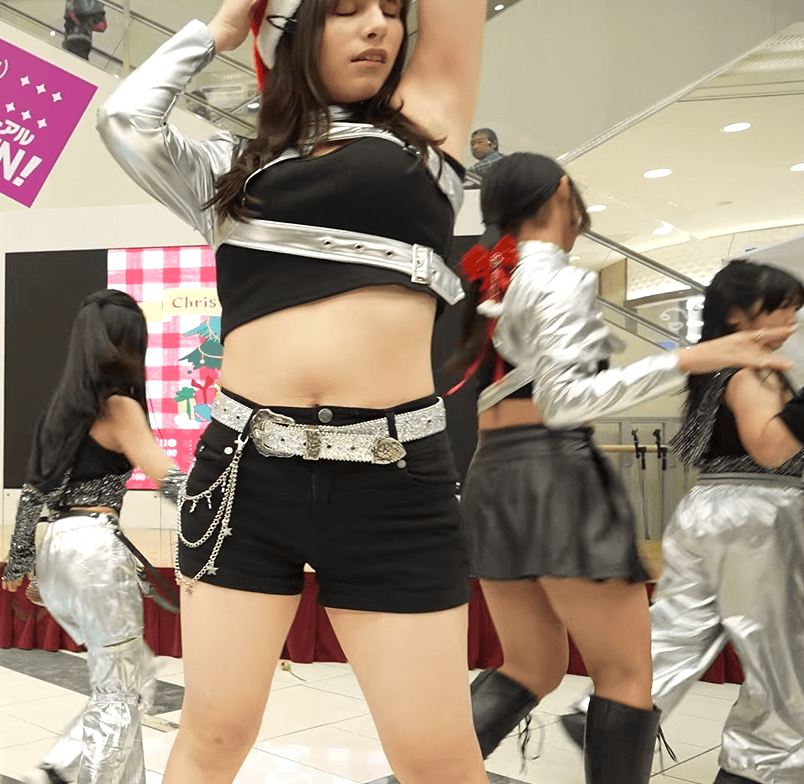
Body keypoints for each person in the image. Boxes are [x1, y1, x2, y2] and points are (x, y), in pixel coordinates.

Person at [97, 1, 489, 782]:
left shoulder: (425, 128)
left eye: (390, 11)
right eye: (346, 10)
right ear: (293, 30)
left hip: (393, 484)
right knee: (212, 736)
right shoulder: (231, 166)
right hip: (243, 476)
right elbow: (125, 120)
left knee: (436, 758)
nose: (377, 26)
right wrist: (220, 29)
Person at [446, 153, 799, 784]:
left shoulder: (496, 281)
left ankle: (424, 775)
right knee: (627, 674)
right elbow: (565, 402)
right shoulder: (559, 279)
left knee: (530, 666)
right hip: (555, 474)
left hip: (492, 473)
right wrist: (689, 359)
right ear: (561, 193)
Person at [560, 260, 804, 784]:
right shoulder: (749, 372)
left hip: (706, 509)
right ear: (738, 315)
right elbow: (769, 449)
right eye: (781, 309)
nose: (791, 322)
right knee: (784, 661)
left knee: (678, 628)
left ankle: (607, 714)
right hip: (761, 515)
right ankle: (758, 771)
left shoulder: (713, 372)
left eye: (794, 310)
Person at [2, 289, 185, 784]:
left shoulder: (61, 411)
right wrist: (233, 499)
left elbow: (32, 496)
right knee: (122, 691)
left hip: (58, 548)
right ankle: (63, 769)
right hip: (95, 549)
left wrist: (21, 563)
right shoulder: (119, 408)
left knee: (125, 679)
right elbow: (172, 483)